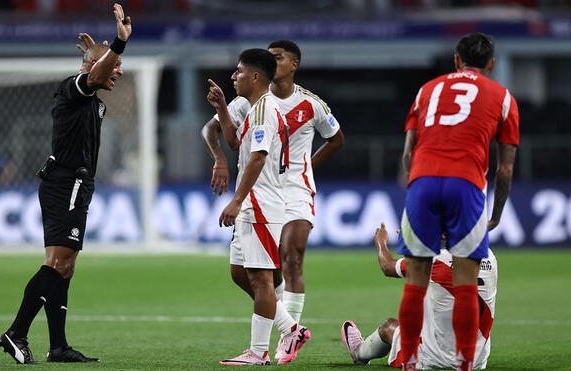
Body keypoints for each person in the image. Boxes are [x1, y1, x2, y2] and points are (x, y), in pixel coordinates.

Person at [0, 3, 131, 364]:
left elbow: (96, 70)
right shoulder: (73, 90)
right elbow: (92, 74)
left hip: (77, 186)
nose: (118, 71)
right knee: (57, 263)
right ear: (92, 69)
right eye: (114, 67)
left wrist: (98, 54)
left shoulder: (94, 102)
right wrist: (114, 46)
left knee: (66, 267)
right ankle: (16, 332)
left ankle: (58, 347)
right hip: (65, 183)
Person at [202, 41, 344, 361]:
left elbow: (257, 157)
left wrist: (237, 200)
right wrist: (224, 108)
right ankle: (290, 327)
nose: (233, 76)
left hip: (262, 200)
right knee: (240, 273)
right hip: (257, 198)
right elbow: (237, 142)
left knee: (267, 274)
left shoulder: (267, 110)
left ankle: (259, 351)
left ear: (254, 77)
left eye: (239, 71)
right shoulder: (255, 108)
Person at [395, 32, 519, 371]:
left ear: (455, 60)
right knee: (467, 280)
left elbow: (408, 153)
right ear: (491, 64)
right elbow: (505, 169)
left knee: (416, 279)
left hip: (422, 179)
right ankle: (465, 363)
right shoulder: (503, 97)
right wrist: (495, 214)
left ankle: (408, 361)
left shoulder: (427, 90)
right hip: (465, 185)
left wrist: (418, 192)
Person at [341, 223, 497, 370]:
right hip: (476, 360)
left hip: (434, 359)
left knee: (389, 326)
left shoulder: (437, 261)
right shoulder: (490, 257)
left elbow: (388, 267)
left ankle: (359, 353)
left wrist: (381, 241)